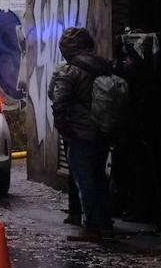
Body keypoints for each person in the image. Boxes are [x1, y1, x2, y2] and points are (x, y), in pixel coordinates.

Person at [49, 26, 114, 240]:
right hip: (103, 131)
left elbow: (58, 102)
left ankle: (91, 227)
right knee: (99, 177)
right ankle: (106, 224)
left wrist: (65, 129)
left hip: (81, 134)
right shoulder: (103, 66)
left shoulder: (70, 71)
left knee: (84, 179)